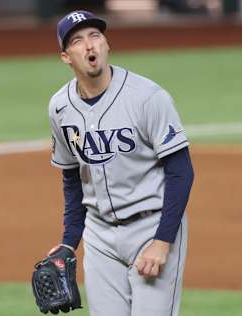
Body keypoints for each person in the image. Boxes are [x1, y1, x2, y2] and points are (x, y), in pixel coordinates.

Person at [47, 10, 194, 315]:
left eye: (95, 36)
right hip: (99, 237)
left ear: (106, 45)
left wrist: (163, 241)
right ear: (66, 57)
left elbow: (181, 171)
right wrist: (68, 243)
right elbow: (73, 179)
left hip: (151, 227)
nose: (90, 46)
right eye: (78, 41)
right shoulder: (60, 107)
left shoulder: (147, 97)